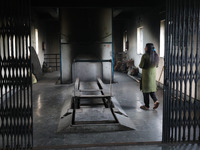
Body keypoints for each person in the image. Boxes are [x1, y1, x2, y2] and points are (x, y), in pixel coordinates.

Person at [139, 43, 159, 110]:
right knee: (151, 89)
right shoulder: (156, 55)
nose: (145, 48)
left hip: (146, 76)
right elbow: (157, 65)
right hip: (153, 75)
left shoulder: (145, 56)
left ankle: (146, 106)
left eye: (145, 47)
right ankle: (156, 101)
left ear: (147, 48)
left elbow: (141, 66)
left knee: (145, 91)